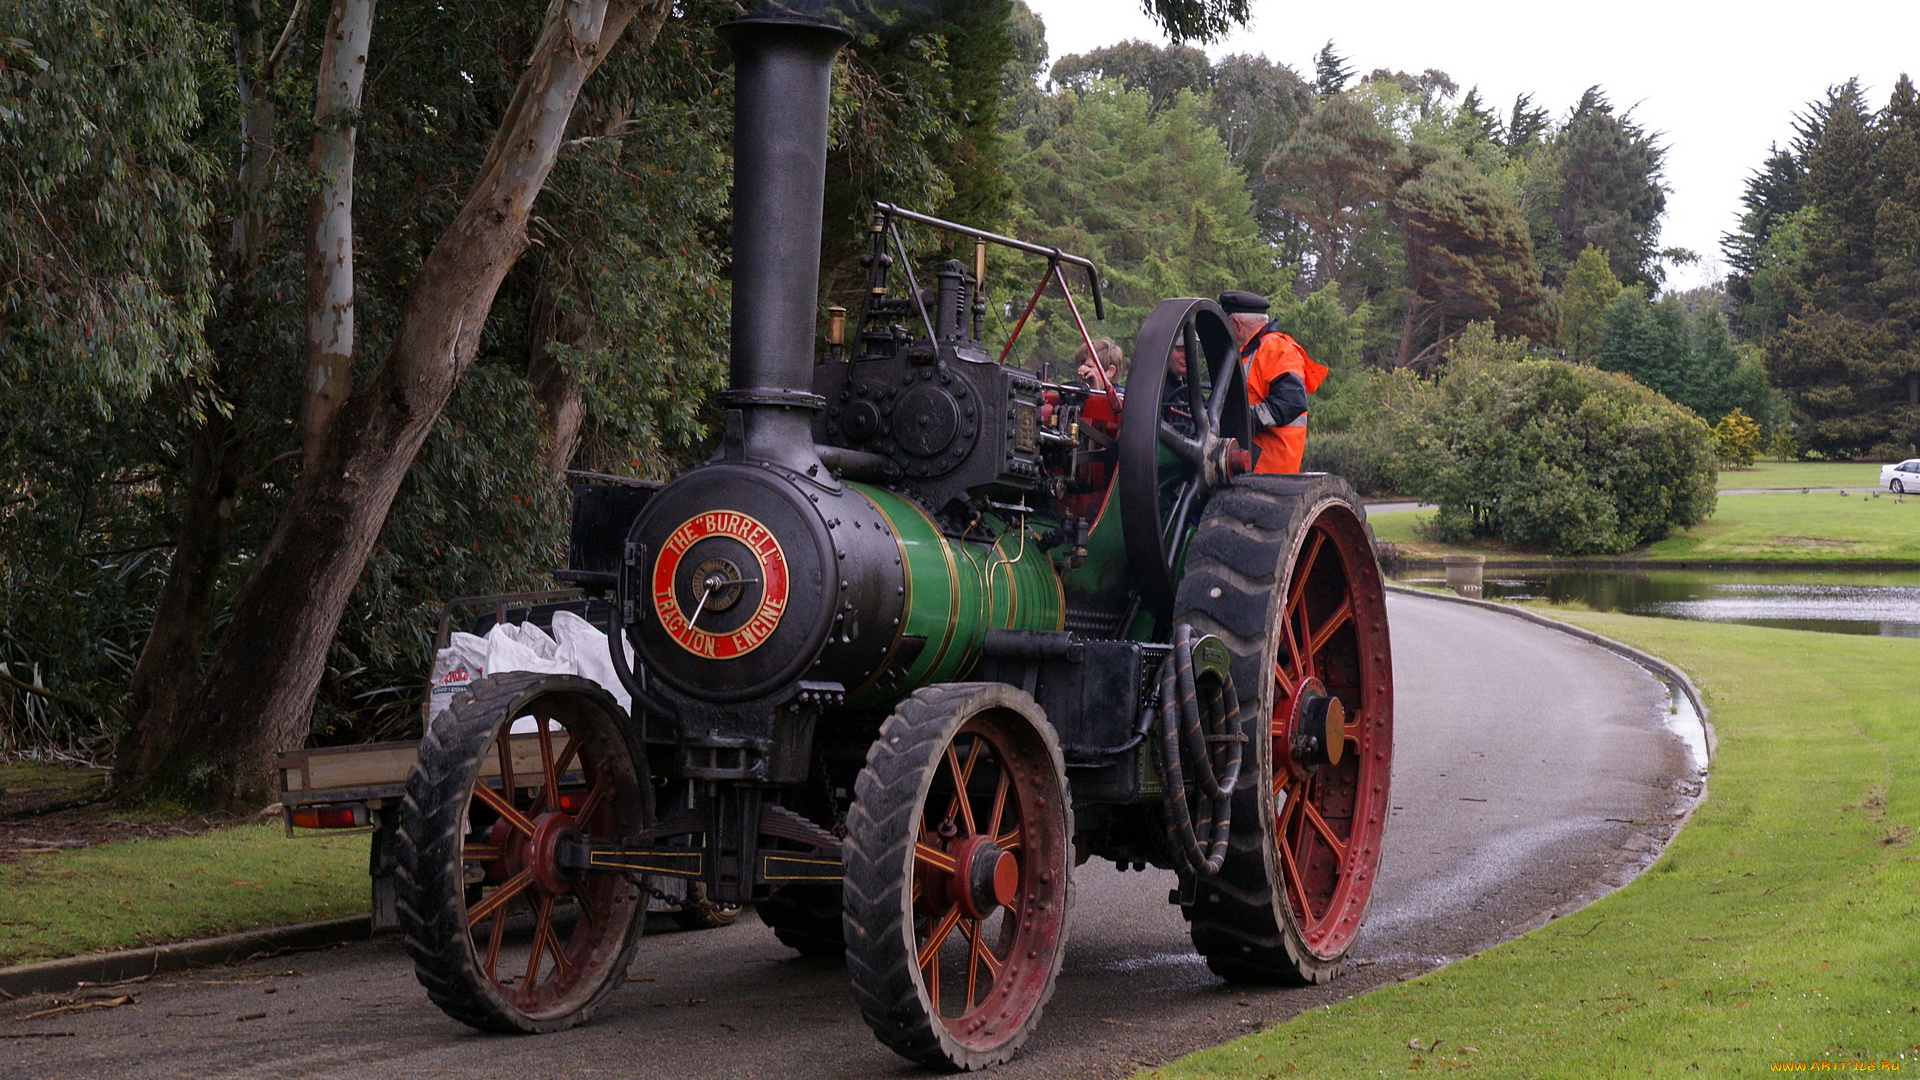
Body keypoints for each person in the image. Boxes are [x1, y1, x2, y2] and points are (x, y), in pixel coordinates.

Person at [1220, 290, 1327, 474]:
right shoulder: (1253, 352)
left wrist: (1240, 420)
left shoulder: (1276, 349)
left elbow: (1291, 402)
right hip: (1253, 463)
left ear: (1236, 324)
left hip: (1267, 467)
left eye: (1227, 326)